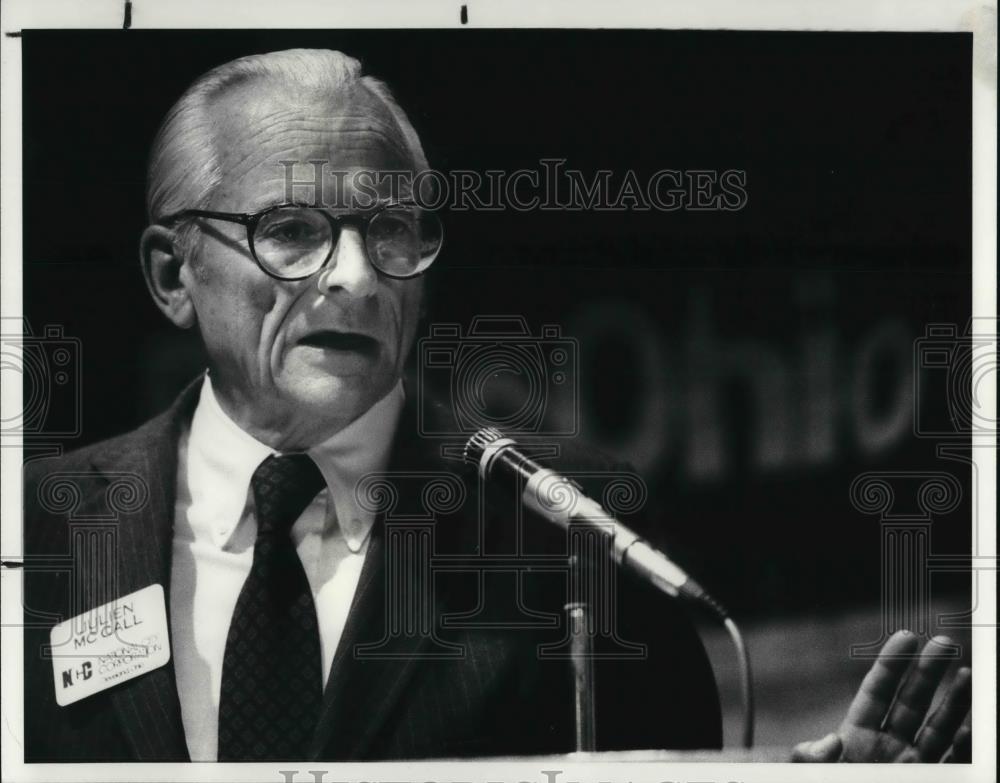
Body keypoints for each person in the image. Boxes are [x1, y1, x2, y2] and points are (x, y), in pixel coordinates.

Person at [22, 48, 970, 764]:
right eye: (293, 231)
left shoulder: (572, 531)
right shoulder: (38, 529)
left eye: (391, 229)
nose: (354, 276)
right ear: (170, 274)